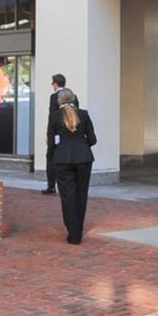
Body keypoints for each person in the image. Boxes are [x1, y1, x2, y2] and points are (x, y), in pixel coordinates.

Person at [47, 92, 96, 245]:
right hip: (84, 158)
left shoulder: (54, 116)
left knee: (68, 196)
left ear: (59, 101)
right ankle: (78, 230)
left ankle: (74, 233)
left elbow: (50, 141)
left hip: (62, 159)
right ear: (74, 99)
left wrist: (54, 155)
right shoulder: (84, 114)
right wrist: (81, 147)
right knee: (81, 194)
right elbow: (93, 139)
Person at [43, 73, 67, 195]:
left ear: (56, 84)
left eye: (53, 83)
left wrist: (49, 135)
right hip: (69, 134)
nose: (52, 85)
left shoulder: (54, 97)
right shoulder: (73, 96)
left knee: (51, 159)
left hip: (56, 134)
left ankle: (51, 185)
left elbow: (52, 118)